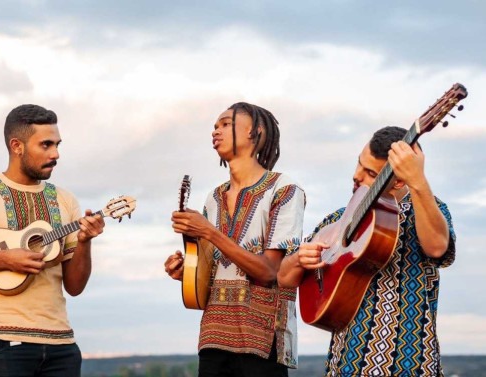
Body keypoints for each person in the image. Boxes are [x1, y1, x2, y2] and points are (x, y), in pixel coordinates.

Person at [0, 104, 105, 377]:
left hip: (61, 346)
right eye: (46, 145)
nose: (56, 154)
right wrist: (1, 259)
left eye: (58, 144)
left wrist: (85, 241)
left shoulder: (66, 199)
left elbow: (75, 287)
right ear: (17, 146)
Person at [278, 126, 456, 377]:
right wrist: (298, 259)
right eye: (359, 164)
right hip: (346, 364)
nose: (356, 176)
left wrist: (419, 183)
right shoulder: (338, 220)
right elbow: (284, 277)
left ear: (399, 180)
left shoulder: (429, 210)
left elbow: (438, 247)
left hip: (410, 363)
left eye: (370, 172)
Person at [164, 102, 307, 377]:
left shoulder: (285, 189)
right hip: (213, 338)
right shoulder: (213, 198)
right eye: (215, 126)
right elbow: (211, 273)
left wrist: (209, 231)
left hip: (263, 341)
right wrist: (187, 271)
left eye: (226, 123)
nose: (215, 131)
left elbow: (269, 272)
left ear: (255, 131)